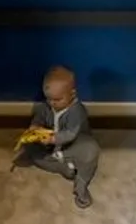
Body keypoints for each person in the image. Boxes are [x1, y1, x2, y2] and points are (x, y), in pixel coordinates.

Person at [13, 66, 99, 209]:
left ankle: (81, 184)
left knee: (91, 150)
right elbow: (38, 119)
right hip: (50, 146)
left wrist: (54, 139)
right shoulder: (45, 107)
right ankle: (62, 167)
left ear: (72, 94)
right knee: (30, 149)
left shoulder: (77, 111)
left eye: (58, 99)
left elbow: (71, 133)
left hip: (73, 145)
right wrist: (35, 128)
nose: (52, 103)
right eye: (49, 99)